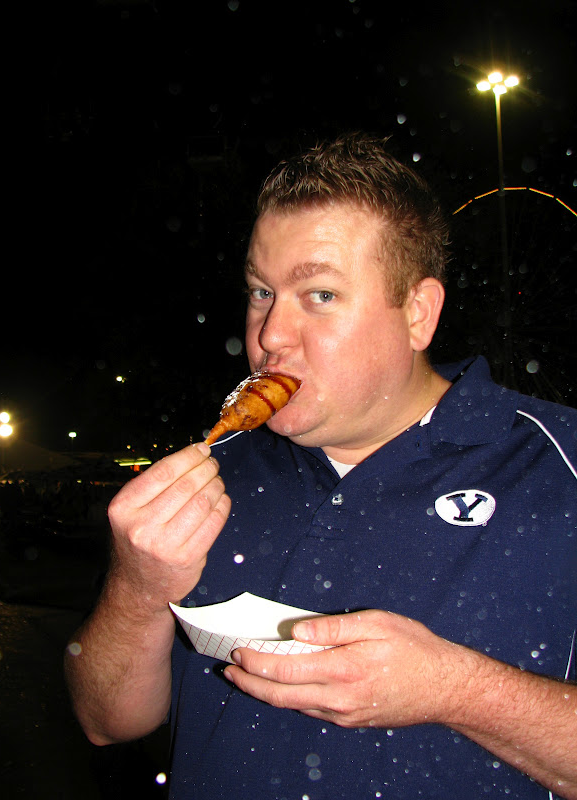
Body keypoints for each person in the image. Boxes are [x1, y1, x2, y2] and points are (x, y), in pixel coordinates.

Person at [65, 134, 576, 800]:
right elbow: (105, 721)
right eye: (261, 291)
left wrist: (458, 691)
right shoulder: (218, 474)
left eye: (321, 295)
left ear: (418, 313)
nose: (269, 335)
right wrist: (136, 589)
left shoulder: (557, 464)